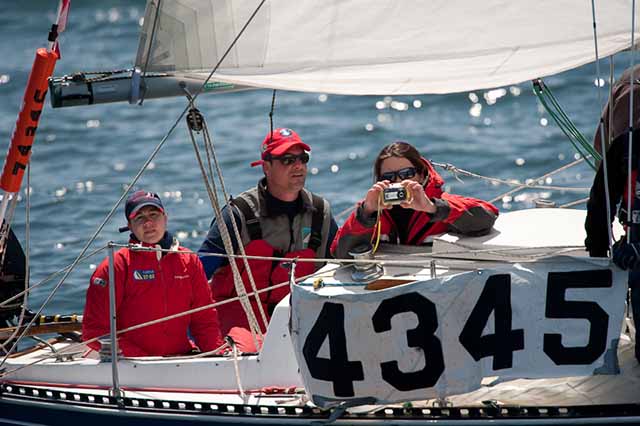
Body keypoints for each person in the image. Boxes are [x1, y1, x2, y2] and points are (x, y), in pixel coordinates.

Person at [198, 128, 338, 351]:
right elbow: (198, 276)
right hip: (240, 331)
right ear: (266, 166)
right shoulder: (238, 215)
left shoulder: (321, 213)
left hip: (300, 325)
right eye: (287, 160)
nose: (298, 166)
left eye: (303, 158)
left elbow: (340, 266)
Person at [83, 191, 224, 357]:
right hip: (132, 364)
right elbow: (95, 332)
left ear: (165, 218)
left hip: (180, 359)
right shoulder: (115, 266)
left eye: (153, 214)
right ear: (130, 225)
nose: (148, 223)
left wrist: (218, 356)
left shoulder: (189, 260)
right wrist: (143, 360)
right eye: (139, 218)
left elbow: (204, 319)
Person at [331, 141, 499, 259]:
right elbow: (340, 254)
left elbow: (487, 218)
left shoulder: (441, 204)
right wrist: (366, 213)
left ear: (422, 174)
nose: (398, 181)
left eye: (407, 174)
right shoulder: (370, 213)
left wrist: (433, 208)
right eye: (389, 177)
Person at [585, 66, 640, 364]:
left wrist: (598, 255)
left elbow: (599, 203)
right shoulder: (626, 147)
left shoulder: (625, 144)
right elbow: (600, 204)